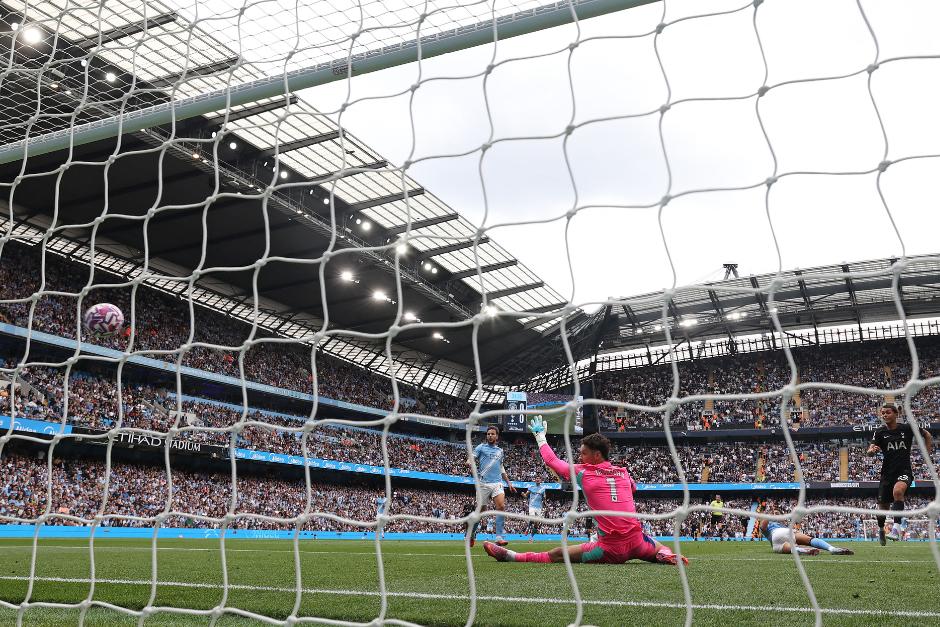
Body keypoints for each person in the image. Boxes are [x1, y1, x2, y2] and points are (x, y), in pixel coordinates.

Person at [483, 417, 687, 566]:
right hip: (637, 542)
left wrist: (540, 437)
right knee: (660, 548)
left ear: (597, 455)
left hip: (609, 549)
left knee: (556, 555)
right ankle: (666, 555)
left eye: (583, 453)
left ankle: (510, 556)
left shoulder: (584, 472)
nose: (579, 457)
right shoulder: (624, 472)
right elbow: (631, 490)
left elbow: (552, 461)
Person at [867, 403, 933, 545]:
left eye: (888, 412)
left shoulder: (907, 428)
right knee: (882, 510)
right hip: (887, 474)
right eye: (882, 413)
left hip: (904, 470)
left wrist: (927, 455)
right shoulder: (880, 432)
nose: (884, 415)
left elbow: (927, 435)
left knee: (898, 491)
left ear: (896, 414)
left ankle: (896, 529)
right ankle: (881, 529)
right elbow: (870, 450)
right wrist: (872, 451)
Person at [470, 426, 516, 546]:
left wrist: (509, 483)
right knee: (481, 511)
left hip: (497, 482)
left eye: (492, 434)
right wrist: (469, 462)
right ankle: (472, 532)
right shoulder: (481, 447)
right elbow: (472, 458)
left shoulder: (500, 451)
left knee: (501, 506)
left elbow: (501, 468)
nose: (490, 435)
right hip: (483, 483)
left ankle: (499, 536)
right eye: (488, 434)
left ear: (497, 436)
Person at [758, 518, 854, 556]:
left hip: (776, 537)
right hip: (788, 531)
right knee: (810, 539)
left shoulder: (767, 530)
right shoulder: (779, 525)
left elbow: (763, 526)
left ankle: (805, 551)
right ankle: (832, 549)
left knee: (790, 548)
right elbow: (764, 524)